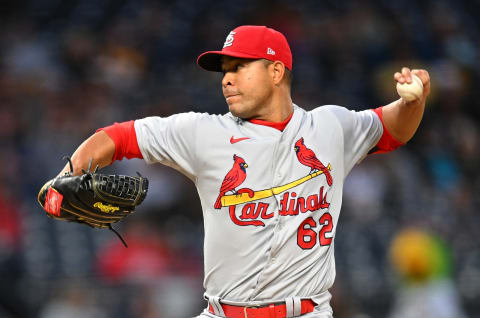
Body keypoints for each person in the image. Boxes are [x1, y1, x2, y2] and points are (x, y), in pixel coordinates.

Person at [56, 25, 430, 317]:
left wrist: (413, 100)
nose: (226, 78)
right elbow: (119, 136)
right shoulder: (204, 132)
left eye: (240, 67)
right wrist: (66, 177)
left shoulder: (331, 126)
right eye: (225, 69)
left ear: (276, 71)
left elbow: (392, 127)